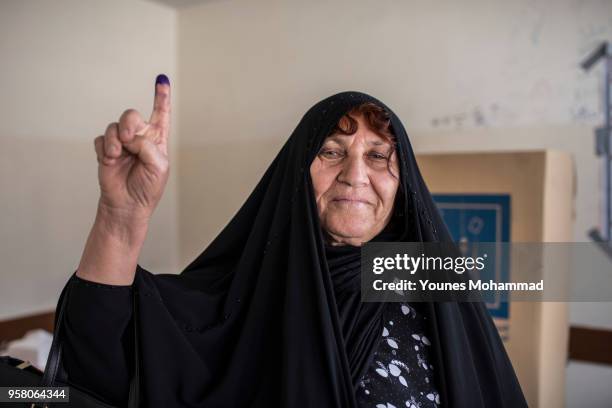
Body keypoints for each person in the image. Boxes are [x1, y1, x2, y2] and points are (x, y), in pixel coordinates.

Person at [54, 75, 527, 407]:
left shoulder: (431, 279)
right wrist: (121, 218)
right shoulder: (249, 292)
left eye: (379, 155)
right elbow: (99, 361)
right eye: (330, 151)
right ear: (296, 174)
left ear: (405, 183)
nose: (355, 175)